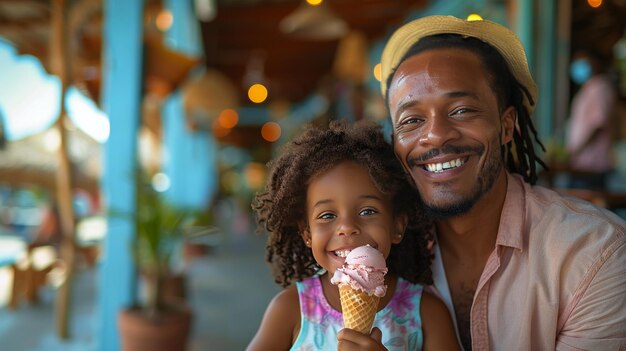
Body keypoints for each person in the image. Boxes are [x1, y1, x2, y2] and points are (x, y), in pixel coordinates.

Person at [379, 15, 626, 350]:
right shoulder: (380, 252)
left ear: (507, 126)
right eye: (411, 120)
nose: (435, 134)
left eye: (462, 110)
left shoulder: (594, 255)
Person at [248, 121, 460, 350]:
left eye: (368, 211)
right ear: (307, 233)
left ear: (397, 226)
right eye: (327, 215)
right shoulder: (291, 309)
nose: (347, 227)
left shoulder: (426, 313)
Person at [565, 48, 618, 190]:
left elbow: (598, 124)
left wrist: (576, 151)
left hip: (591, 166)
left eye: (583, 61)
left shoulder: (600, 88)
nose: (578, 65)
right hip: (582, 164)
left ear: (596, 63)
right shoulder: (589, 89)